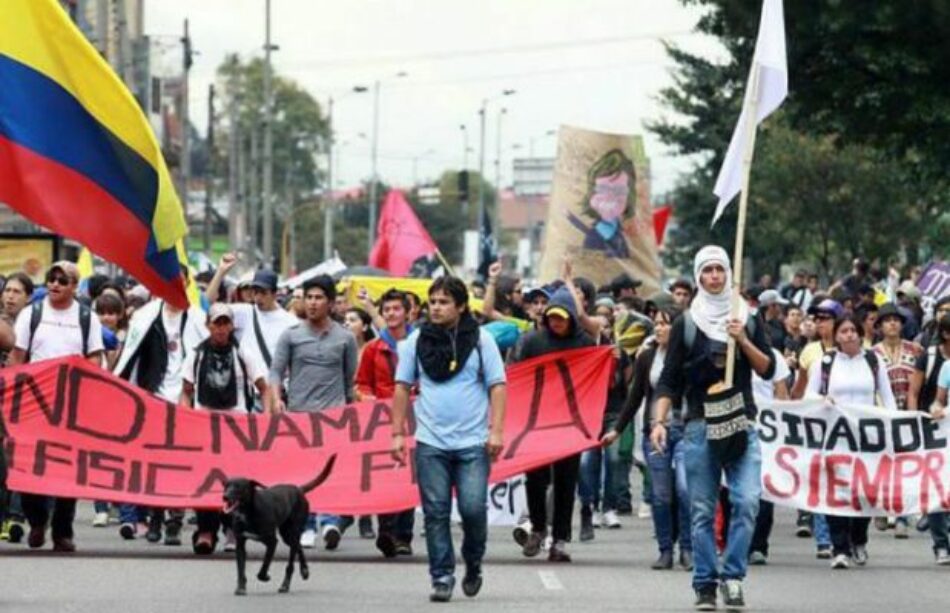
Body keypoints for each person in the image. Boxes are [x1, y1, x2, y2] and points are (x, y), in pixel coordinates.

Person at [652, 246, 775, 611]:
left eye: (720, 270)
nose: (715, 277)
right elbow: (668, 382)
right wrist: (659, 422)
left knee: (747, 500)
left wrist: (743, 341)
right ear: (698, 277)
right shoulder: (686, 324)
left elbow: (768, 368)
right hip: (700, 426)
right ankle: (705, 583)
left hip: (741, 423)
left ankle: (733, 576)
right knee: (702, 509)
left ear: (729, 275)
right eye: (708, 271)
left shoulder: (747, 319)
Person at [390, 276, 506, 602]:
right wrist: (397, 433)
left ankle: (473, 561)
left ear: (460, 306)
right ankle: (441, 576)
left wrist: (496, 430)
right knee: (435, 512)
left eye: (443, 302)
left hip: (472, 443)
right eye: (433, 302)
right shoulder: (415, 342)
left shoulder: (482, 341)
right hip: (430, 443)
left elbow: (498, 386)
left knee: (472, 509)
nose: (436, 308)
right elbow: (401, 386)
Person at [9, 261, 105, 553]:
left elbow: (95, 358)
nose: (55, 284)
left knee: (68, 468)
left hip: (71, 407)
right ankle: (37, 520)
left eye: (63, 280)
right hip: (34, 403)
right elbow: (18, 356)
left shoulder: (87, 318)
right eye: (51, 278)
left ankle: (63, 531)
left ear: (75, 286)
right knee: (29, 462)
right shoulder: (31, 314)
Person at [270, 275, 358, 550]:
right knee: (301, 475)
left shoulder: (345, 338)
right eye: (308, 297)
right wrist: (276, 400)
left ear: (331, 303)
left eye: (319, 298)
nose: (312, 303)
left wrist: (352, 416)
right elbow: (275, 372)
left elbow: (349, 380)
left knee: (329, 472)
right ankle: (305, 525)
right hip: (299, 417)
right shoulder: (291, 335)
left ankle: (331, 520)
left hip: (333, 418)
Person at [113, 290, 208, 545]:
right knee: (154, 463)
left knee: (181, 464)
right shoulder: (145, 316)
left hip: (186, 402)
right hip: (153, 398)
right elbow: (131, 357)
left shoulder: (198, 318)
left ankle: (174, 521)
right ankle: (155, 516)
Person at [604, 304, 693, 571]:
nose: (660, 328)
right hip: (655, 433)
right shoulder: (647, 357)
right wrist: (617, 430)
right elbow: (635, 398)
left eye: (666, 323)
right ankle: (665, 549)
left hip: (687, 430)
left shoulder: (691, 356)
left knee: (685, 490)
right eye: (657, 323)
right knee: (661, 494)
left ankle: (687, 549)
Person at [509, 287, 594, 562]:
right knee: (534, 477)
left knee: (566, 482)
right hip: (537, 419)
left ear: (571, 318)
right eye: (552, 317)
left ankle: (559, 540)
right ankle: (537, 528)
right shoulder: (533, 341)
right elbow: (518, 375)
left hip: (569, 423)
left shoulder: (585, 344)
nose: (556, 322)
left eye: (562, 318)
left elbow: (596, 379)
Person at [805, 314, 896, 570]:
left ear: (860, 334)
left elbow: (887, 398)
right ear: (836, 336)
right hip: (835, 437)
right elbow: (809, 394)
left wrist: (893, 426)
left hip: (868, 439)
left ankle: (859, 539)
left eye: (853, 330)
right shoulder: (826, 363)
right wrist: (823, 402)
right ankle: (839, 547)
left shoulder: (873, 360)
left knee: (865, 491)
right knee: (837, 492)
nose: (849, 335)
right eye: (843, 331)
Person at [180, 303, 270, 554]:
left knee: (235, 483)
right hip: (205, 428)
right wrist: (186, 420)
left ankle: (232, 528)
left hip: (236, 429)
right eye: (216, 323)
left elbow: (263, 386)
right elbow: (186, 391)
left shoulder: (243, 353)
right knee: (206, 481)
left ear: (231, 326)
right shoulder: (196, 355)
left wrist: (269, 417)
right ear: (208, 325)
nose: (220, 328)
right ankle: (206, 531)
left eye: (225, 323)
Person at [355, 289, 416, 558]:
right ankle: (386, 531)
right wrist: (365, 397)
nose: (391, 314)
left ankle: (404, 535)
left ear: (408, 312)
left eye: (396, 309)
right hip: (381, 420)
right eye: (387, 310)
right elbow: (361, 382)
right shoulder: (372, 349)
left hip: (414, 418)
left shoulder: (420, 343)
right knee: (384, 473)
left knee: (409, 474)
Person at [206, 256, 299, 408]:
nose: (258, 297)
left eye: (263, 292)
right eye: (255, 291)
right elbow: (208, 304)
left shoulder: (291, 322)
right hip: (246, 395)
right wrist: (221, 272)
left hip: (276, 398)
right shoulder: (245, 313)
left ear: (275, 293)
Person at [911, 315, 950, 565]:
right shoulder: (946, 367)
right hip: (944, 437)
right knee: (939, 488)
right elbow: (939, 399)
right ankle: (941, 544)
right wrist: (936, 408)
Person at [747, 347, 791, 565]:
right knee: (733, 490)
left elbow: (781, 391)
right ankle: (734, 540)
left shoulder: (773, 356)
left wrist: (780, 425)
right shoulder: (728, 351)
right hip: (735, 425)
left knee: (763, 489)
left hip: (765, 431)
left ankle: (758, 545)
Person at [0, 271, 33, 544]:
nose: (10, 296)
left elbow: (9, 341)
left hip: (27, 401)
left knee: (20, 458)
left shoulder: (34, 320)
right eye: (7, 290)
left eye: (16, 292)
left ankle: (17, 515)